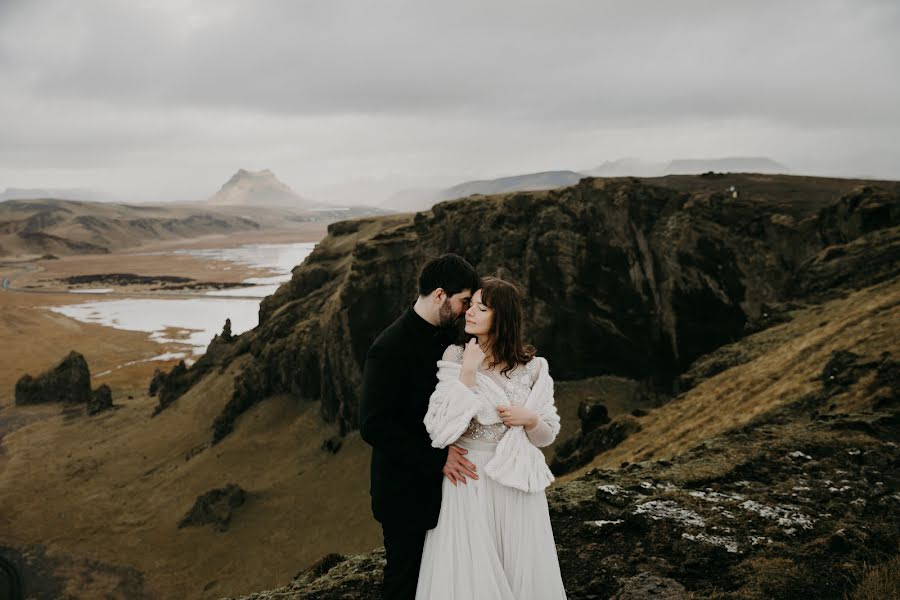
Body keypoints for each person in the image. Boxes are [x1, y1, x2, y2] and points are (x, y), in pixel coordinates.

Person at [417, 273, 567, 600]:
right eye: (470, 305)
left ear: (503, 318)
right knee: (471, 578)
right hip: (469, 482)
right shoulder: (456, 357)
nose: (469, 312)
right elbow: (441, 428)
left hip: (516, 485)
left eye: (481, 308)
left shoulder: (534, 368)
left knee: (520, 571)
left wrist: (529, 419)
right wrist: (468, 373)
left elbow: (546, 436)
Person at [360, 254, 480, 600]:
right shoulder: (388, 348)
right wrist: (437, 458)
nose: (465, 311)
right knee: (405, 582)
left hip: (448, 490)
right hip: (404, 492)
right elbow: (374, 425)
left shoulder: (450, 340)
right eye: (463, 302)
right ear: (440, 295)